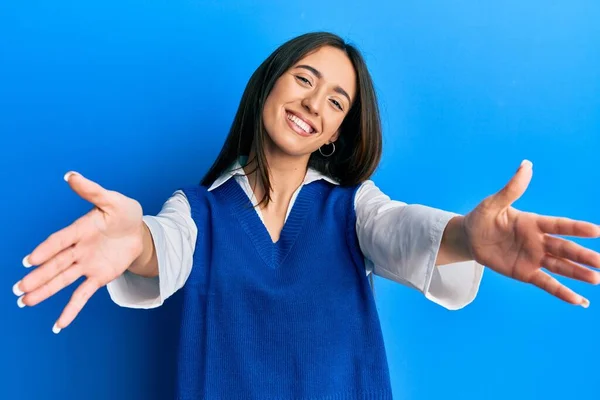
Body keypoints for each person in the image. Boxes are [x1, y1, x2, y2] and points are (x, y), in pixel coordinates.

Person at [12, 32, 600, 399]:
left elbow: (401, 230)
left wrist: (467, 236)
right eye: (305, 79)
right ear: (270, 83)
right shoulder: (199, 212)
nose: (314, 104)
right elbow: (162, 244)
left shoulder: (353, 208)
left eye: (336, 102)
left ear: (335, 133)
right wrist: (130, 240)